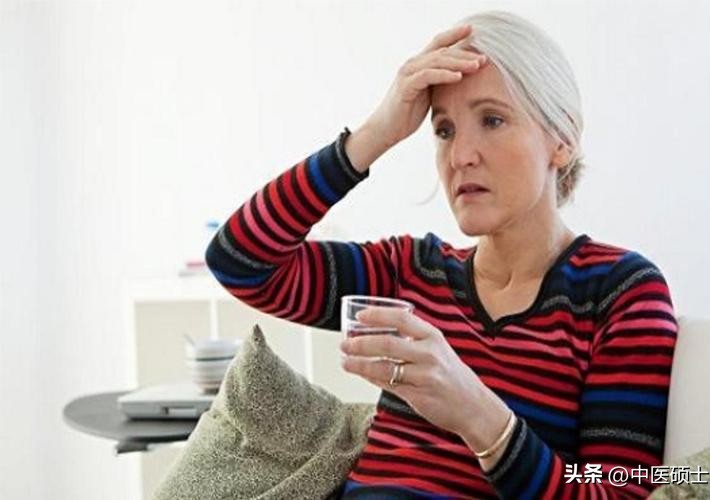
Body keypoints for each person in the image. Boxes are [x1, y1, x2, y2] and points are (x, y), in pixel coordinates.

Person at [205, 10, 678, 500]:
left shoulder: (620, 292)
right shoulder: (411, 272)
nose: (460, 156)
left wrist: (477, 414)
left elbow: (620, 492)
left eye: (492, 120)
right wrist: (376, 134)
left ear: (562, 140)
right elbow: (240, 262)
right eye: (445, 130)